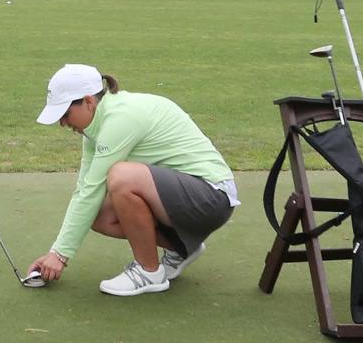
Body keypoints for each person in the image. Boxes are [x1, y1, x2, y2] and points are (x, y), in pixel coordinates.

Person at [29, 64, 240, 296]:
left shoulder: (120, 118)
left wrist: (60, 256)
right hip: (188, 200)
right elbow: (85, 191)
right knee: (98, 213)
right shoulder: (95, 128)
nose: (63, 123)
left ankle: (148, 272)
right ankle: (180, 248)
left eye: (65, 114)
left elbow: (92, 189)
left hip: (212, 198)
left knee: (121, 176)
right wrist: (55, 251)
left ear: (89, 101)